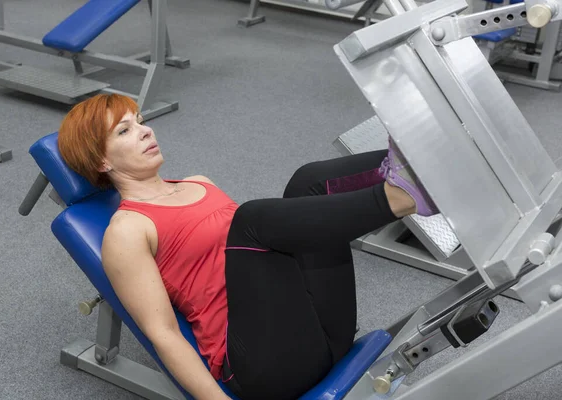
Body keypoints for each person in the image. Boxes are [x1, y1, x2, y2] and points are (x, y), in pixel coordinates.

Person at [57, 94, 438, 400]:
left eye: (140, 120)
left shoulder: (199, 182)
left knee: (306, 183)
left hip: (319, 331)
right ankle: (403, 196)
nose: (144, 131)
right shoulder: (127, 229)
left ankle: (424, 160)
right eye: (125, 131)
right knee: (252, 222)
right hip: (266, 369)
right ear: (102, 160)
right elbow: (164, 334)